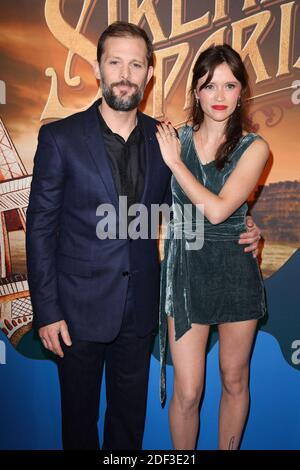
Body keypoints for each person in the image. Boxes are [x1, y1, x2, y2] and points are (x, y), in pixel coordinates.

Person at [26, 22, 261, 450]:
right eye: (115, 62)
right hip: (75, 310)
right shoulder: (60, 138)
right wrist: (47, 310)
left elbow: (192, 207)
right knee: (78, 423)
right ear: (98, 69)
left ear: (149, 74)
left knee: (128, 425)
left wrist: (245, 225)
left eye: (136, 64)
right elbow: (40, 227)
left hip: (139, 309)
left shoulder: (165, 141)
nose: (125, 73)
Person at [157, 44, 269, 451]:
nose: (219, 96)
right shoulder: (172, 139)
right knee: (188, 392)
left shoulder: (255, 148)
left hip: (234, 272)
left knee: (234, 378)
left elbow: (221, 211)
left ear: (241, 92)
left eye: (230, 85)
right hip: (185, 273)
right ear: (196, 91)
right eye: (210, 86)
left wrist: (176, 165)